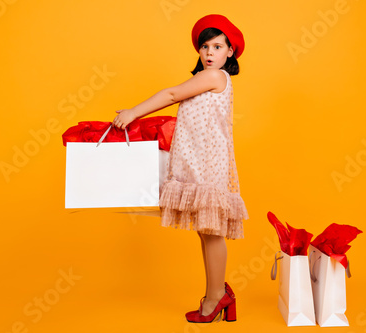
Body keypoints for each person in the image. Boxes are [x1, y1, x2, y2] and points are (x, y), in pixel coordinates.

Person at [112, 14, 248, 323]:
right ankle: (216, 292)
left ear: (230, 52)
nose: (209, 53)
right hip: (197, 161)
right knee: (205, 231)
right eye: (204, 47)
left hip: (208, 164)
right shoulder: (207, 80)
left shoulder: (214, 77)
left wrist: (134, 111)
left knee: (211, 232)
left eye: (217, 46)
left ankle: (216, 297)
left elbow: (172, 94)